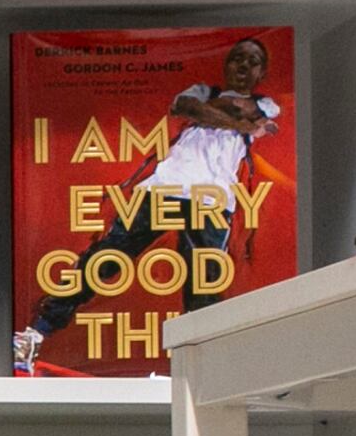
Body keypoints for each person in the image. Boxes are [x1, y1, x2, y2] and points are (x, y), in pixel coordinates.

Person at [15, 36, 282, 373]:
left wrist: (221, 113)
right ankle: (36, 332)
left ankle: (201, 368)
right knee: (105, 258)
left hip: (211, 199)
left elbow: (248, 114)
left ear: (262, 73)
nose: (243, 65)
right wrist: (236, 119)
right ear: (226, 64)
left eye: (252, 61)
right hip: (163, 186)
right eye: (237, 58)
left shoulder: (266, 104)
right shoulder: (204, 91)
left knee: (204, 282)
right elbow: (187, 107)